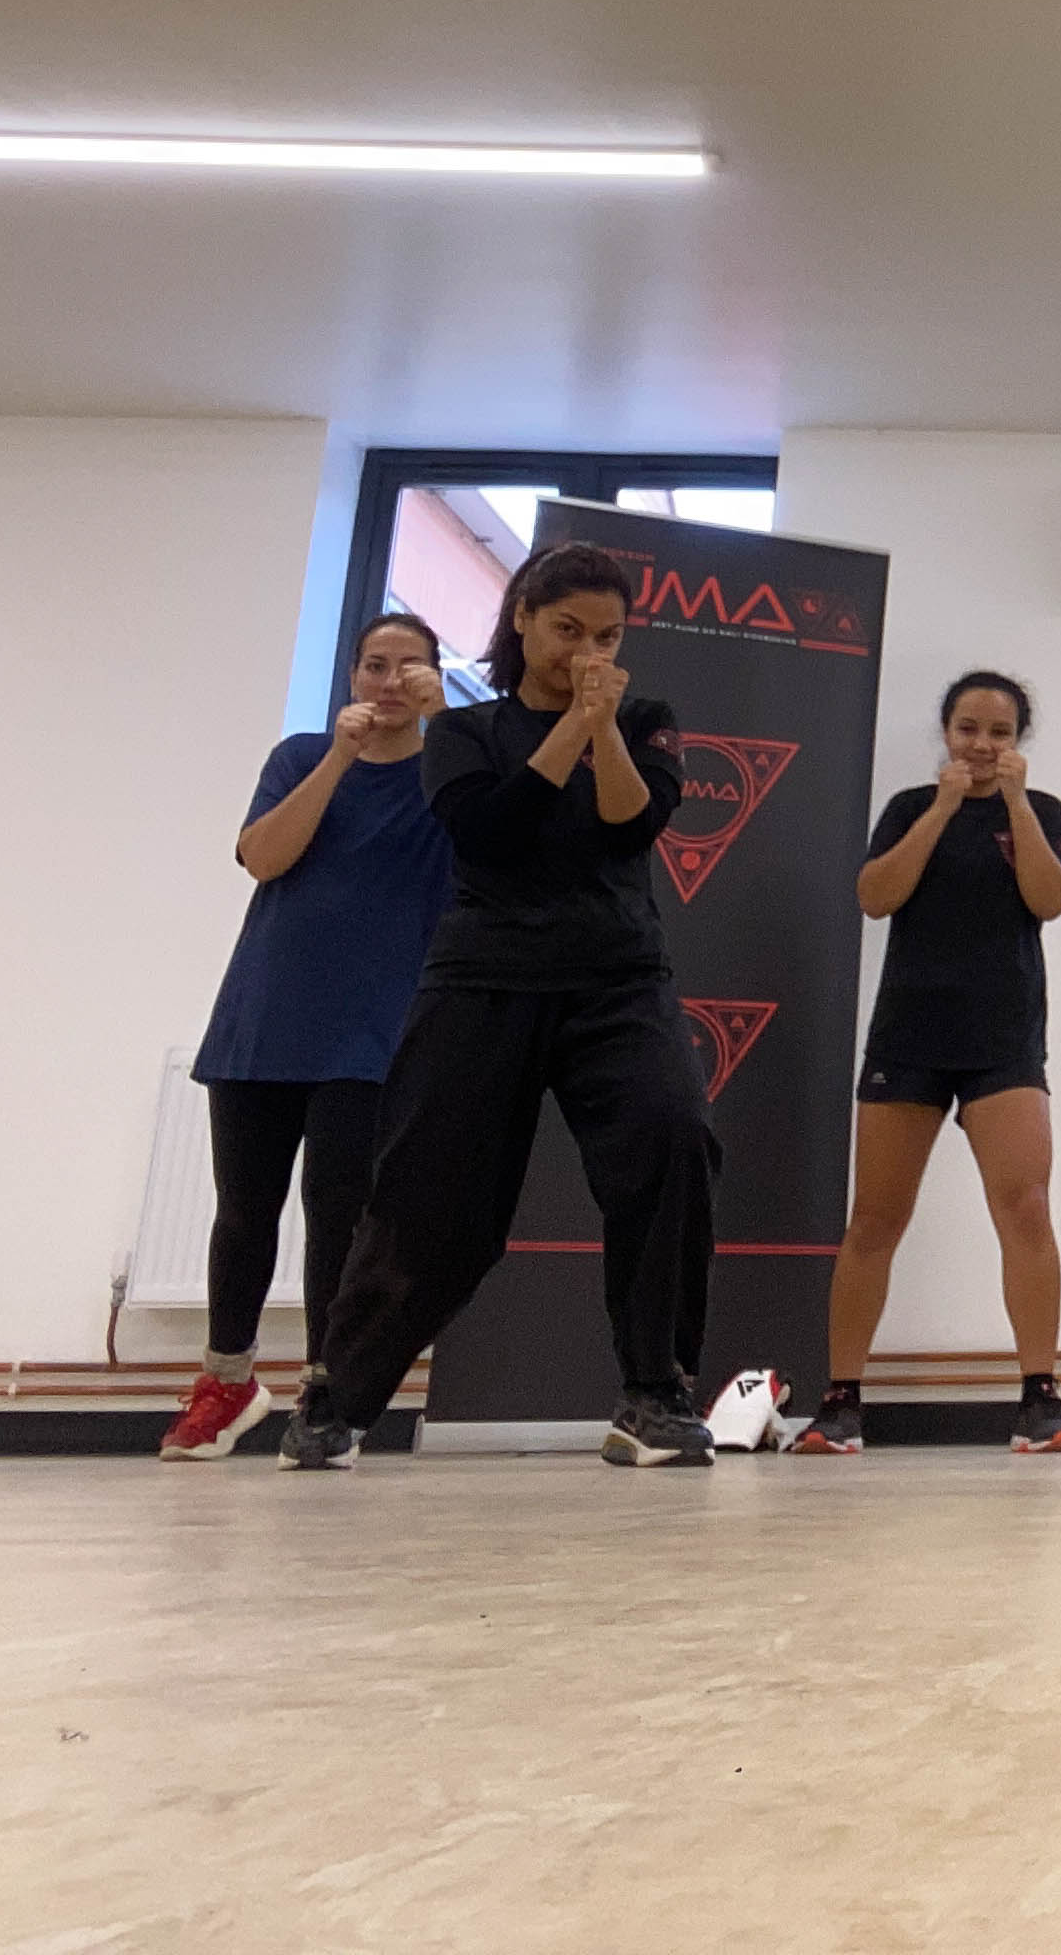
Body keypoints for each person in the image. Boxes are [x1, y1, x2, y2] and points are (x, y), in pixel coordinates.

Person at [278, 542, 719, 1472]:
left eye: (607, 636)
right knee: (431, 1196)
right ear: (522, 619)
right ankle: (337, 1400)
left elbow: (633, 822)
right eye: (568, 631)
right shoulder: (464, 731)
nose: (586, 653)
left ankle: (654, 1391)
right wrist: (570, 727)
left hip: (617, 979)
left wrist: (601, 726)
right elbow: (491, 830)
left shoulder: (645, 720)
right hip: (484, 979)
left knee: (671, 1140)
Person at [160, 613, 456, 1459]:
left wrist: (445, 722)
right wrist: (337, 760)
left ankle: (328, 1392)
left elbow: (492, 844)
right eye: (374, 665)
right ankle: (227, 1381)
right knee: (243, 1212)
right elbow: (264, 857)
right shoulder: (298, 758)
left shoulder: (448, 774)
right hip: (265, 1017)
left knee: (341, 1215)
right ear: (352, 676)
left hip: (373, 1030)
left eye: (409, 667)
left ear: (435, 676)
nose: (389, 682)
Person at [794, 670, 1061, 1457]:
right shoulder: (909, 807)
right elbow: (875, 895)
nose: (982, 745)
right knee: (874, 1220)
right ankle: (841, 1401)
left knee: (1027, 1209)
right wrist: (944, 808)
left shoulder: (1043, 811)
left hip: (1004, 1039)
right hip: (910, 1036)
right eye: (968, 729)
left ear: (1018, 741)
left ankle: (1041, 1398)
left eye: (999, 732)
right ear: (947, 733)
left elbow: (1049, 900)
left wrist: (1015, 804)